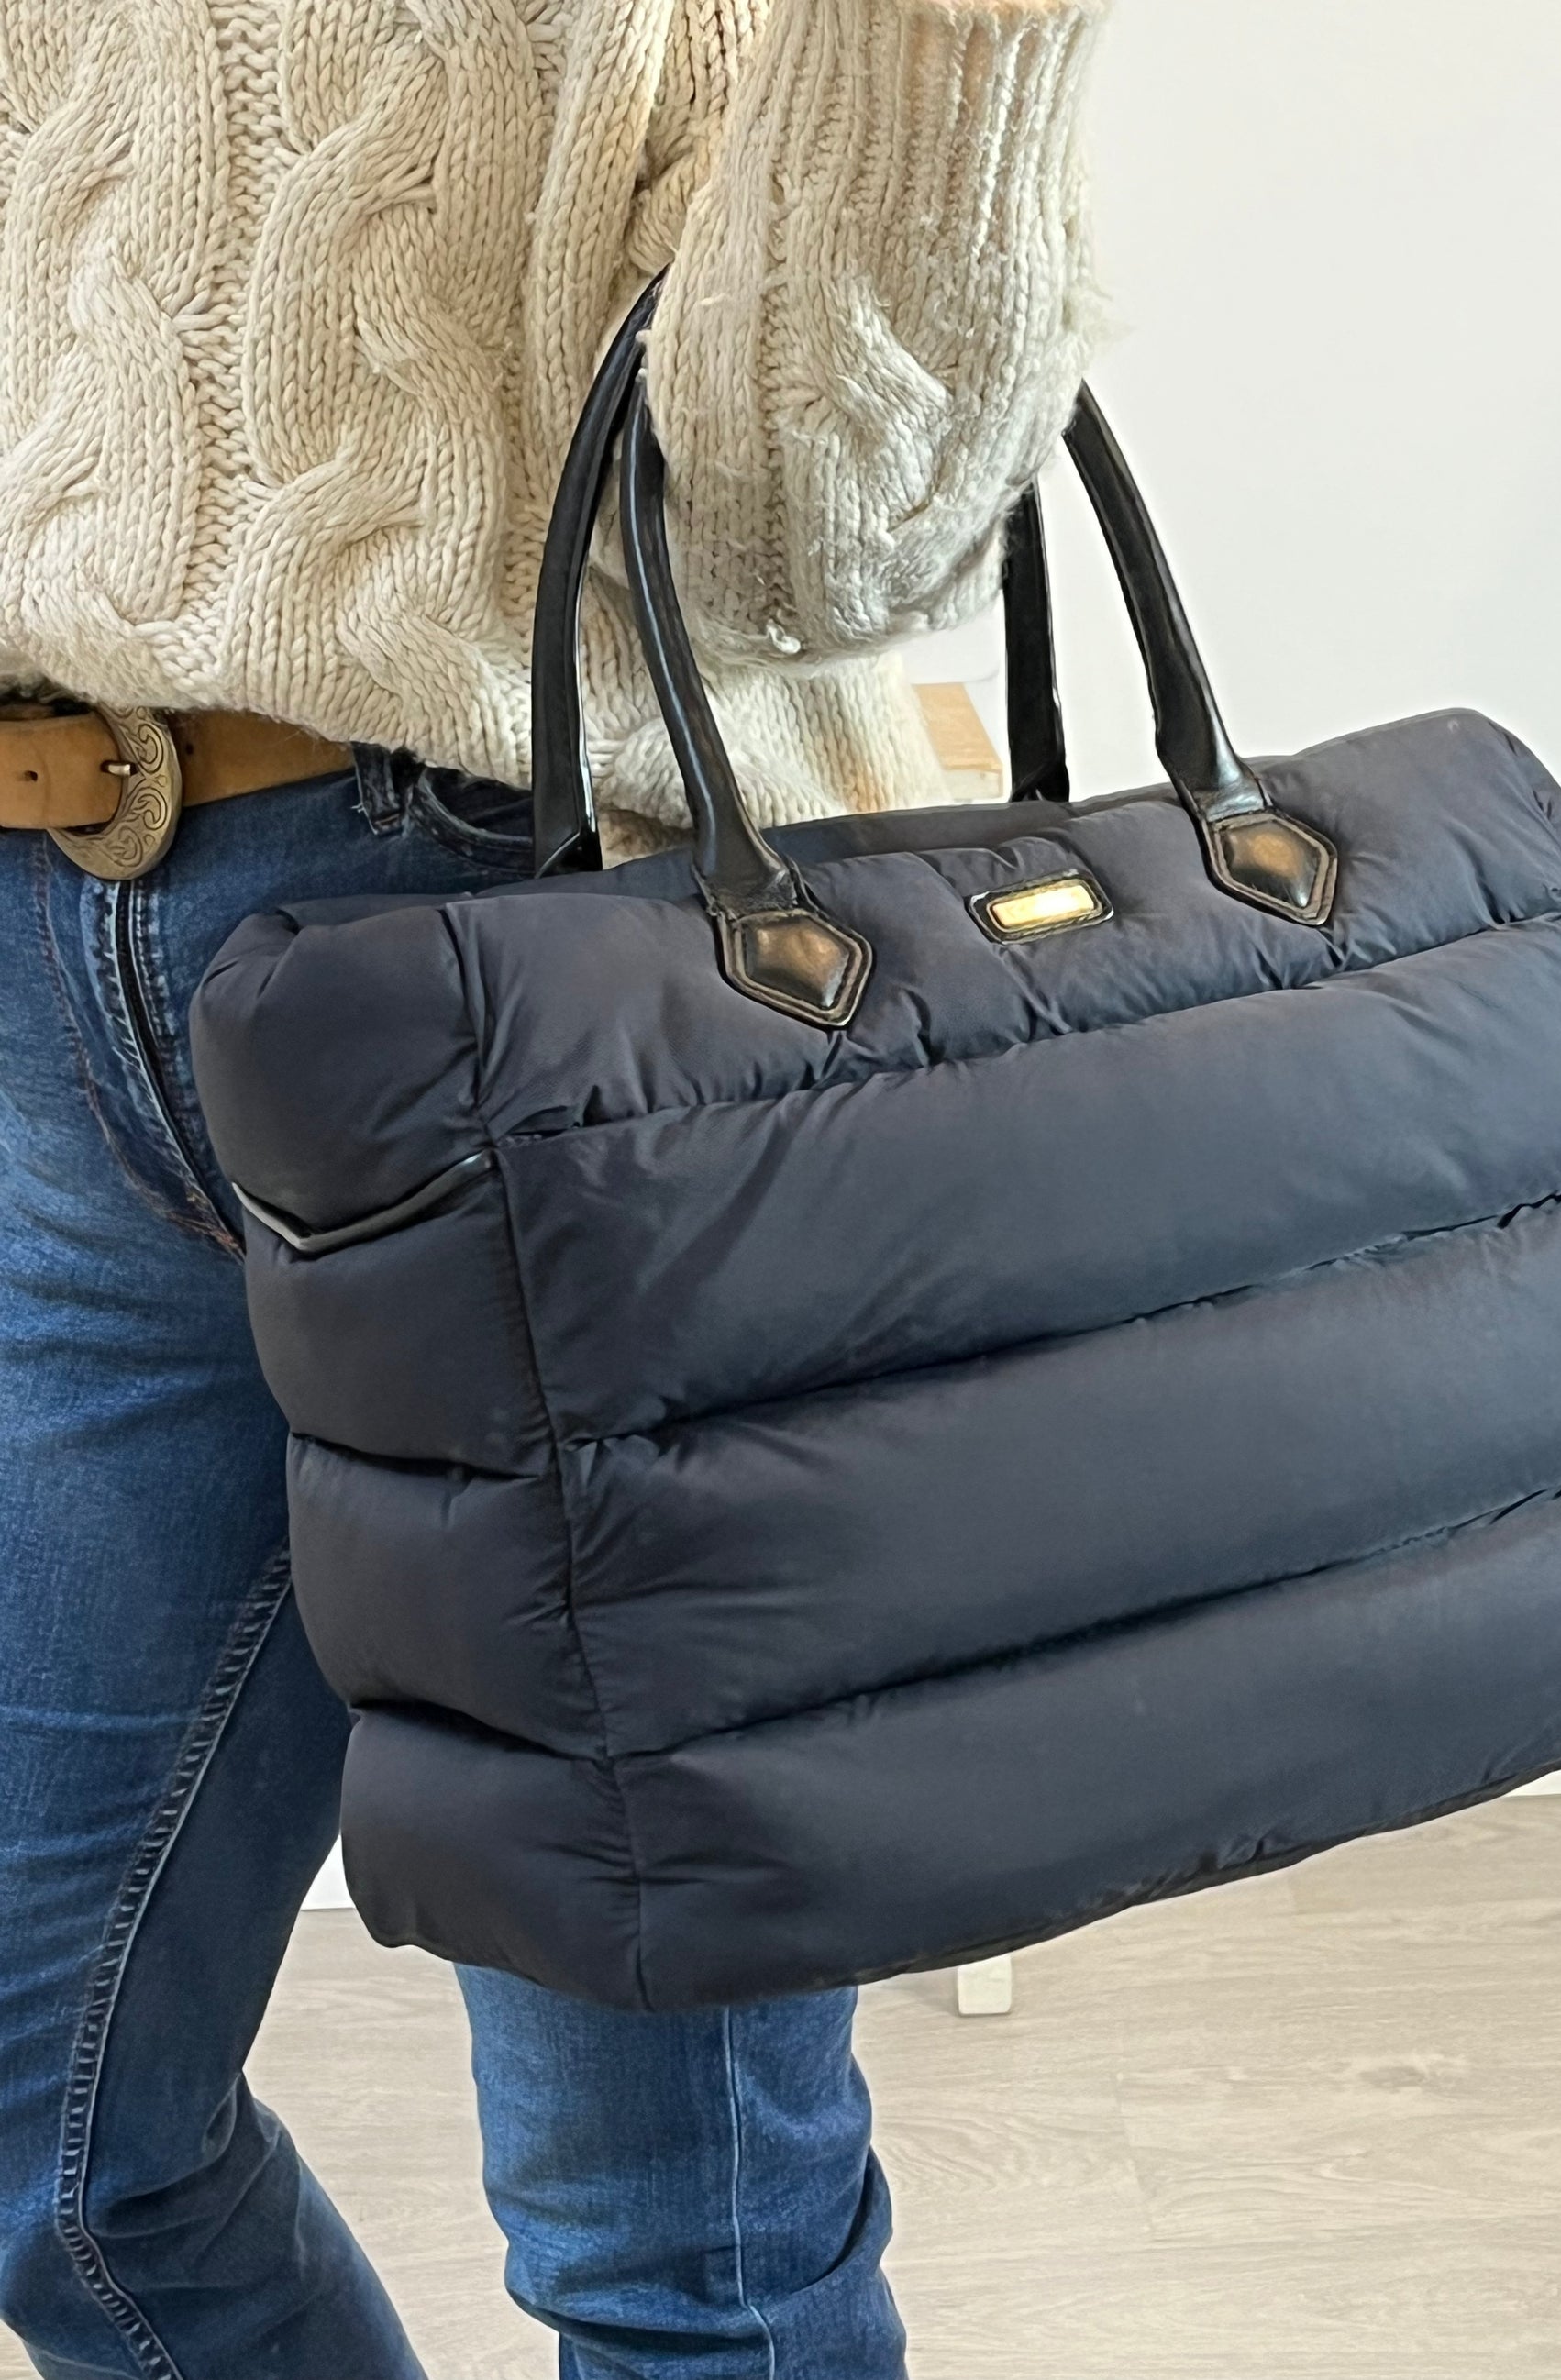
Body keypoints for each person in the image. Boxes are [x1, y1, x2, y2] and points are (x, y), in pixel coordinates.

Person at [0, 1, 1105, 2373]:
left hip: (555, 970)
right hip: (50, 964)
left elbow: (830, 538)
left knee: (679, 2247)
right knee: (44, 2140)